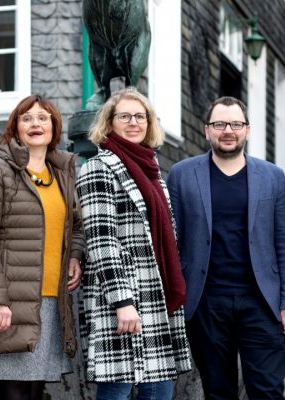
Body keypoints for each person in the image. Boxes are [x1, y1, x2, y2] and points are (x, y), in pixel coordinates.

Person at [167, 96, 285, 400]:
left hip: (261, 303)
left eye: (235, 124)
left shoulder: (273, 177)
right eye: (220, 124)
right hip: (206, 303)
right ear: (207, 130)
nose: (228, 130)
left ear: (247, 130)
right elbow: (172, 242)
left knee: (267, 391)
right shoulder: (182, 175)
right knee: (217, 392)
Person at [0, 94, 86, 400]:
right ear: (15, 127)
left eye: (43, 118)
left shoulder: (62, 174)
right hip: (12, 300)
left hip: (51, 301)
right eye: (27, 118)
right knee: (14, 390)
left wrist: (74, 255)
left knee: (35, 389)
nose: (35, 124)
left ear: (54, 127)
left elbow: (75, 224)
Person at [75, 87, 191, 400]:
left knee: (159, 391)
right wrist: (122, 301)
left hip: (156, 297)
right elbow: (101, 241)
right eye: (124, 116)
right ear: (109, 122)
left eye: (140, 116)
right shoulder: (97, 168)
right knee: (118, 388)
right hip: (123, 300)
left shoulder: (153, 171)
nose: (133, 122)